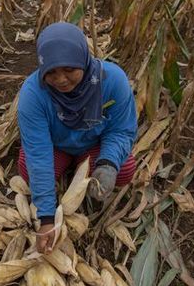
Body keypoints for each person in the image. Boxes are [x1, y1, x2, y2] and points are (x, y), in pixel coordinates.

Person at [17, 22, 137, 254]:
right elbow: (38, 152)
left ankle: (88, 165)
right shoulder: (33, 94)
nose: (60, 79)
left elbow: (122, 130)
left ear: (83, 57)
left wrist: (108, 163)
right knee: (26, 168)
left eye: (69, 69)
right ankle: (70, 168)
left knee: (124, 170)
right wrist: (47, 218)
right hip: (56, 146)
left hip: (93, 144)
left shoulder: (112, 81)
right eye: (50, 72)